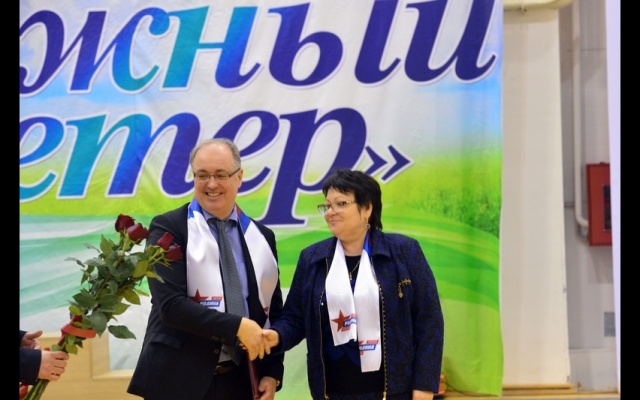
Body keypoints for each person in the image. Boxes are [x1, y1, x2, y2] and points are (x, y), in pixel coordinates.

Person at [264, 169, 444, 400]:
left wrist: (424, 385)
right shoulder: (313, 258)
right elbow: (294, 318)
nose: (330, 212)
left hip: (394, 391)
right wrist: (276, 335)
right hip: (331, 391)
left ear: (367, 208)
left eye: (341, 204)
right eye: (327, 206)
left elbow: (429, 321)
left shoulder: (404, 251)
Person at [127, 138, 284, 400]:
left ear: (239, 177)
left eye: (221, 175)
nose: (211, 184)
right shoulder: (168, 228)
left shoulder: (262, 237)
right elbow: (170, 306)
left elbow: (273, 312)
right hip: (177, 380)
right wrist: (237, 327)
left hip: (241, 381)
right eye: (202, 175)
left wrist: (272, 372)